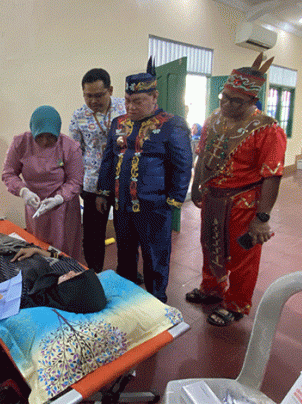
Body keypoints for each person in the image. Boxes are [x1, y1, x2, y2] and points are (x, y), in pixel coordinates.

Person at [186, 53, 287, 326]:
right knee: (209, 245)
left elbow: (272, 175)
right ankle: (212, 288)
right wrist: (196, 185)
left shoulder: (267, 129)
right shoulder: (215, 118)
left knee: (242, 256)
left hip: (243, 202)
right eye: (225, 97)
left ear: (253, 100)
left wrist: (262, 217)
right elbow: (203, 153)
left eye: (236, 101)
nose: (228, 104)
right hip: (212, 196)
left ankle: (236, 303)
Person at [96, 63, 192, 303]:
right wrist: (102, 191)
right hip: (122, 204)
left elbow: (183, 165)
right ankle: (127, 296)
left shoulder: (172, 124)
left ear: (154, 96)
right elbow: (108, 159)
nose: (131, 107)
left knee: (155, 255)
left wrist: (175, 199)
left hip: (154, 206)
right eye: (128, 100)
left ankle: (157, 300)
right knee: (125, 252)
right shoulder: (118, 123)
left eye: (138, 101)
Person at [2, 105, 83, 260]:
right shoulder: (20, 143)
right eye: (40, 136)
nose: (45, 142)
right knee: (38, 244)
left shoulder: (69, 147)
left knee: (63, 247)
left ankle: (67, 275)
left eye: (51, 137)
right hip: (35, 203)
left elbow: (75, 180)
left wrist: (59, 198)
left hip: (63, 206)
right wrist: (23, 191)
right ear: (33, 130)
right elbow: (8, 173)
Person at [69, 68, 126, 273]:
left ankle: (127, 271)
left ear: (110, 90)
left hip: (123, 181)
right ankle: (94, 273)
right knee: (93, 234)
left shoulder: (125, 108)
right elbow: (76, 152)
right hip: (92, 184)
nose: (93, 101)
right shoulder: (79, 116)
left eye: (99, 95)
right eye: (88, 96)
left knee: (126, 231)